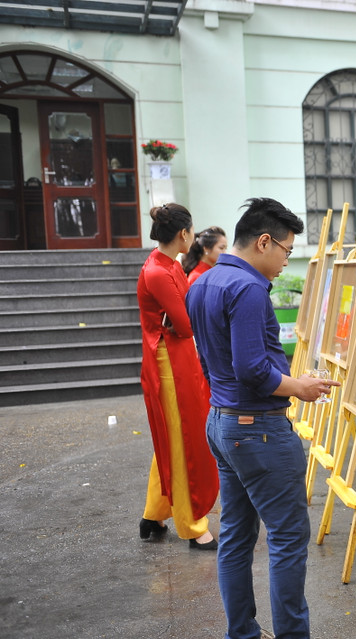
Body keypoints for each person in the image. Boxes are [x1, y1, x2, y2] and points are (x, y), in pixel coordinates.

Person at [186, 197, 339, 639]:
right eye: (287, 251)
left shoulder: (204, 282)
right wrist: (300, 387)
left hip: (222, 422)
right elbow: (252, 370)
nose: (285, 262)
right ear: (264, 242)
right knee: (288, 539)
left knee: (234, 537)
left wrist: (287, 381)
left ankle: (243, 633)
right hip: (258, 430)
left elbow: (216, 361)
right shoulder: (249, 288)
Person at [137, 203, 219, 551]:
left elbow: (184, 319)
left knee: (174, 437)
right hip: (168, 362)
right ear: (183, 234)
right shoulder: (158, 271)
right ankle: (191, 525)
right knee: (183, 438)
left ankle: (153, 515)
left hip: (177, 358)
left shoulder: (167, 265)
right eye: (192, 231)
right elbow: (185, 324)